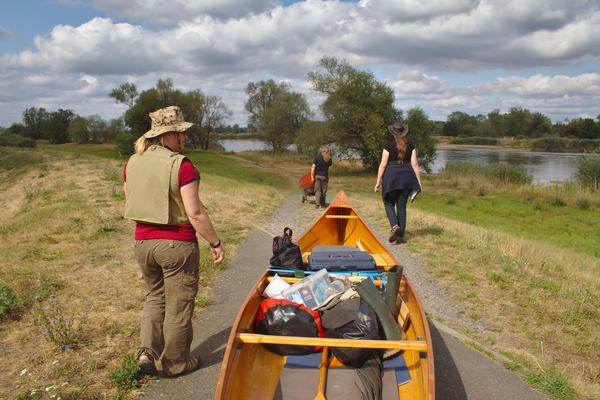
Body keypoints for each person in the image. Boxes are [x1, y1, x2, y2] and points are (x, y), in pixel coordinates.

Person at [123, 105, 224, 377]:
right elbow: (195, 212)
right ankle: (176, 362)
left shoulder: (133, 161)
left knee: (155, 297)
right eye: (180, 133)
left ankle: (146, 353)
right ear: (166, 135)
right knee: (179, 306)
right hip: (176, 245)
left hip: (143, 244)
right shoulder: (182, 165)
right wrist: (215, 242)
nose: (184, 138)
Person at [374, 122, 422, 244]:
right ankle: (400, 236)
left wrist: (378, 181)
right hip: (407, 178)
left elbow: (383, 164)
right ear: (403, 132)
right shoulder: (411, 144)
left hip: (392, 178)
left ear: (393, 132)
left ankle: (395, 227)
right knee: (401, 205)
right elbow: (415, 164)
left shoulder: (388, 145)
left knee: (388, 203)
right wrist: (418, 182)